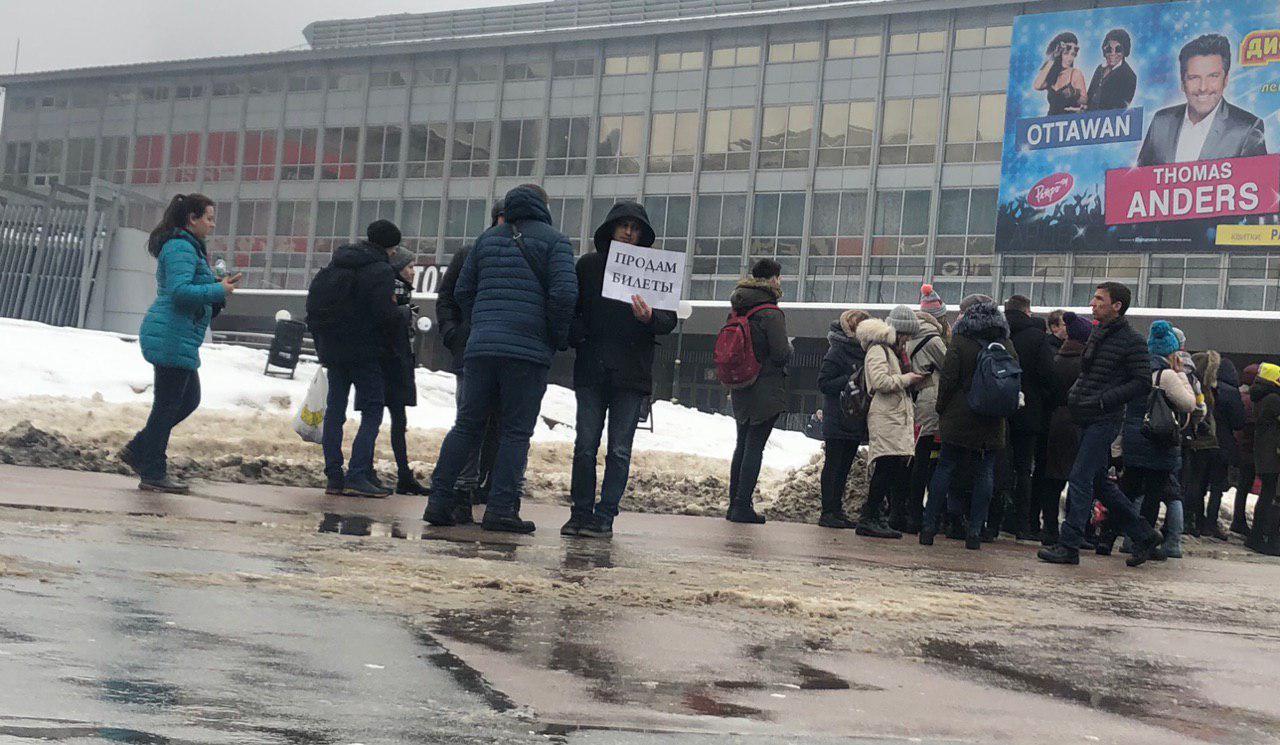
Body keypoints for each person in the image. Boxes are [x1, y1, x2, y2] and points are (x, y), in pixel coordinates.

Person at [423, 184, 578, 533]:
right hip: (526, 352)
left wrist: (483, 321)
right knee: (515, 432)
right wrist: (555, 335)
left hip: (480, 349)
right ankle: (501, 509)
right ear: (544, 207)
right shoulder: (555, 242)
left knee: (467, 425)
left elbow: (463, 290)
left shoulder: (486, 240)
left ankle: (439, 502)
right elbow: (565, 295)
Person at [563, 202, 677, 538]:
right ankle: (580, 512)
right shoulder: (589, 266)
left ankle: (605, 516)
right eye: (624, 225)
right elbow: (571, 310)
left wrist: (649, 317)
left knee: (619, 450)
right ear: (611, 228)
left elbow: (668, 320)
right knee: (585, 445)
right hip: (592, 368)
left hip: (631, 373)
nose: (629, 232)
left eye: (635, 227)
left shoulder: (653, 270)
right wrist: (579, 335)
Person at [1038, 282, 1167, 567]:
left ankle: (1069, 545)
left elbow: (1142, 382)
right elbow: (1089, 373)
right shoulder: (1098, 333)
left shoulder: (1132, 340)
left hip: (1104, 418)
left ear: (1117, 306)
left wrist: (1105, 400)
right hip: (1085, 414)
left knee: (1080, 478)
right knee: (1098, 483)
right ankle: (1145, 535)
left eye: (1099, 299)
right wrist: (1078, 396)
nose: (1093, 303)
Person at [120, 194, 240, 493]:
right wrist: (217, 289)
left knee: (187, 400)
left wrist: (217, 288)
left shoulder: (189, 247)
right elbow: (179, 291)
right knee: (167, 405)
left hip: (179, 334)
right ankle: (152, 470)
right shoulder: (180, 247)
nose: (212, 225)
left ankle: (139, 450)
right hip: (171, 334)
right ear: (192, 219)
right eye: (209, 218)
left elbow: (192, 288)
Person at [307, 220, 403, 497]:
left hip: (334, 350)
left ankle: (334, 476)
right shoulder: (380, 270)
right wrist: (402, 315)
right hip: (365, 352)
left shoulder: (338, 263)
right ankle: (358, 473)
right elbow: (384, 315)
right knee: (373, 409)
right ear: (389, 246)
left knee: (335, 411)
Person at [920, 295, 1013, 550]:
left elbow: (948, 379)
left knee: (945, 467)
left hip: (958, 416)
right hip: (992, 418)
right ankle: (975, 532)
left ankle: (928, 528)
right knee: (984, 472)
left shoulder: (960, 341)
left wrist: (942, 409)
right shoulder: (1004, 342)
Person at [436, 200, 505, 519]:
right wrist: (453, 333)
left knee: (498, 426)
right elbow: (447, 298)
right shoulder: (470, 253)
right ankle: (462, 489)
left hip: (502, 351)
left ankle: (483, 486)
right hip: (471, 349)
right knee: (470, 421)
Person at [1113, 321, 1197, 558]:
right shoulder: (1167, 375)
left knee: (1129, 491)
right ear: (1171, 352)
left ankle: (1110, 537)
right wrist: (1181, 375)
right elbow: (1189, 403)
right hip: (1158, 442)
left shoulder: (1137, 371)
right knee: (1153, 494)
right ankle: (1144, 541)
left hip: (1133, 437)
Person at [726, 259, 792, 524]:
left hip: (741, 384)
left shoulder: (738, 307)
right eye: (779, 277)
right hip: (765, 387)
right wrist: (790, 347)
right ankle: (742, 505)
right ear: (773, 279)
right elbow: (780, 353)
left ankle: (734, 503)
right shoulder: (770, 312)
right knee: (754, 447)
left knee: (742, 444)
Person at [1136, 34, 1267, 166]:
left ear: (1225, 80)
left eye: (1213, 76)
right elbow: (1141, 176)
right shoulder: (1161, 122)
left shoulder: (1247, 128)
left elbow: (1260, 178)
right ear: (1182, 82)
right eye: (1194, 77)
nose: (1203, 87)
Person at [857, 307, 924, 539]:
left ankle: (875, 516)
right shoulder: (878, 350)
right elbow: (879, 381)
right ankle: (869, 516)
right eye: (906, 335)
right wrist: (907, 379)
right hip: (886, 416)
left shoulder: (892, 351)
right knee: (885, 468)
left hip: (894, 416)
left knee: (891, 467)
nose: (907, 341)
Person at [998, 295, 1056, 541]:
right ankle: (1022, 523)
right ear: (1027, 312)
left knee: (999, 465)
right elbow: (1048, 375)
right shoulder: (1037, 338)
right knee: (1023, 469)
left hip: (998, 408)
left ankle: (994, 520)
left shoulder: (997, 333)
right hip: (1029, 411)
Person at [1038, 311, 1091, 546]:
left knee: (1054, 478)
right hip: (1079, 422)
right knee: (1079, 480)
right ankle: (1074, 530)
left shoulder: (1057, 360)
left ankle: (1050, 528)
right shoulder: (1085, 364)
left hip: (1057, 422)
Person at [816, 310, 870, 529]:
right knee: (833, 465)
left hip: (854, 417)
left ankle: (837, 509)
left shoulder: (865, 352)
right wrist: (850, 379)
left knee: (844, 466)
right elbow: (824, 383)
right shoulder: (837, 351)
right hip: (838, 416)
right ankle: (828, 511)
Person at [899, 302, 949, 534]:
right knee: (928, 461)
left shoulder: (907, 337)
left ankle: (910, 512)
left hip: (913, 401)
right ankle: (922, 516)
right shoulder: (933, 339)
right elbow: (949, 367)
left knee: (915, 458)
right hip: (930, 404)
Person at [1202, 357, 1247, 538]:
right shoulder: (1231, 392)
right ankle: (1211, 522)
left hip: (1203, 440)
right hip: (1223, 444)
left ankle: (1196, 519)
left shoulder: (1206, 387)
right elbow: (1238, 422)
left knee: (1199, 482)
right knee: (1217, 486)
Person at [1185, 350, 1225, 537]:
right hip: (1203, 440)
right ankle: (1192, 519)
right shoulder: (1202, 390)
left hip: (1199, 440)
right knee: (1196, 482)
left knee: (1196, 482)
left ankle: (1194, 519)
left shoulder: (1195, 386)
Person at [1244, 363, 1280, 556]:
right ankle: (1263, 537)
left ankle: (1257, 536)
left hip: (1264, 454)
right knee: (1270, 497)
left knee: (1266, 495)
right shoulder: (1274, 399)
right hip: (1272, 455)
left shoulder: (1261, 397)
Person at [1232, 363, 1260, 536]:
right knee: (1245, 485)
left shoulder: (1238, 395)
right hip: (1250, 448)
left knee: (1242, 486)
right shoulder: (1253, 401)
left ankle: (1238, 519)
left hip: (1239, 446)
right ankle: (1240, 521)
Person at [1033, 32, 1087, 115]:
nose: (1070, 58)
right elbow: (1037, 85)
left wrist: (1074, 93)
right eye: (1066, 53)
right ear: (1059, 54)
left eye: (1073, 55)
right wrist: (1052, 58)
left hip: (1068, 119)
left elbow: (1084, 100)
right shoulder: (1053, 74)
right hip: (1051, 120)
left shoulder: (1075, 73)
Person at [1086, 28, 1138, 111]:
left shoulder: (1129, 76)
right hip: (1089, 117)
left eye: (1118, 50)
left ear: (1125, 51)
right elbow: (1089, 98)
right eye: (1109, 49)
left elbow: (1118, 110)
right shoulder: (1100, 69)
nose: (1113, 54)